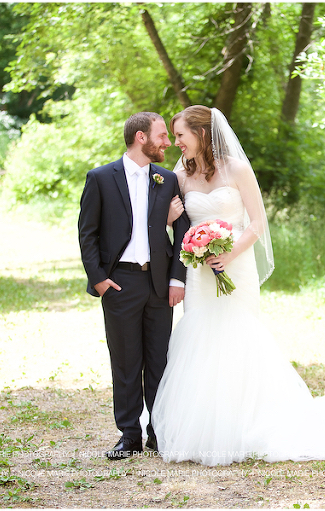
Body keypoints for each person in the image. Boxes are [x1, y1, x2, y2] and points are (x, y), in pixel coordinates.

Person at [150, 106, 325, 466]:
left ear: (201, 134)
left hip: (237, 263)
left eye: (182, 136)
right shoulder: (181, 174)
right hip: (200, 272)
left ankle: (247, 422)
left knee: (238, 337)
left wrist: (230, 252)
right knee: (200, 339)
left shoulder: (236, 168)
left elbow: (257, 222)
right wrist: (177, 223)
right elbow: (177, 221)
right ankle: (207, 425)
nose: (177, 143)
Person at [78, 112, 190, 460]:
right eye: (161, 136)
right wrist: (99, 280)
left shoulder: (167, 178)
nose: (167, 143)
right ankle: (129, 435)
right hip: (120, 283)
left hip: (159, 283)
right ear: (141, 137)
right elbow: (87, 233)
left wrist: (176, 278)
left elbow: (181, 230)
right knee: (126, 361)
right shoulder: (100, 178)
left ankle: (159, 432)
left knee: (159, 359)